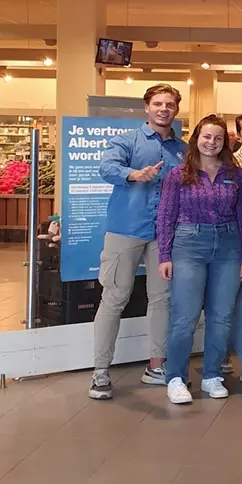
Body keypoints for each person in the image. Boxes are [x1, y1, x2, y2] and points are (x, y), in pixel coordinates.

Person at [88, 83, 186, 400]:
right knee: (114, 298)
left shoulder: (182, 150)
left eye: (169, 104)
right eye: (158, 103)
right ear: (147, 107)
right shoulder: (126, 141)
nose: (163, 109)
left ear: (176, 109)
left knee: (162, 299)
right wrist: (133, 174)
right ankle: (100, 372)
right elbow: (106, 167)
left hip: (164, 235)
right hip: (125, 229)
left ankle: (156, 367)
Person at [157, 115, 242, 404]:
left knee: (221, 316)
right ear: (196, 138)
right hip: (188, 245)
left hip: (229, 245)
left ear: (225, 142)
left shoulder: (235, 175)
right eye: (206, 136)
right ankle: (175, 377)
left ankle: (212, 375)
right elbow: (166, 215)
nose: (211, 142)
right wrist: (164, 254)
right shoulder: (178, 174)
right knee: (184, 317)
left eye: (218, 138)